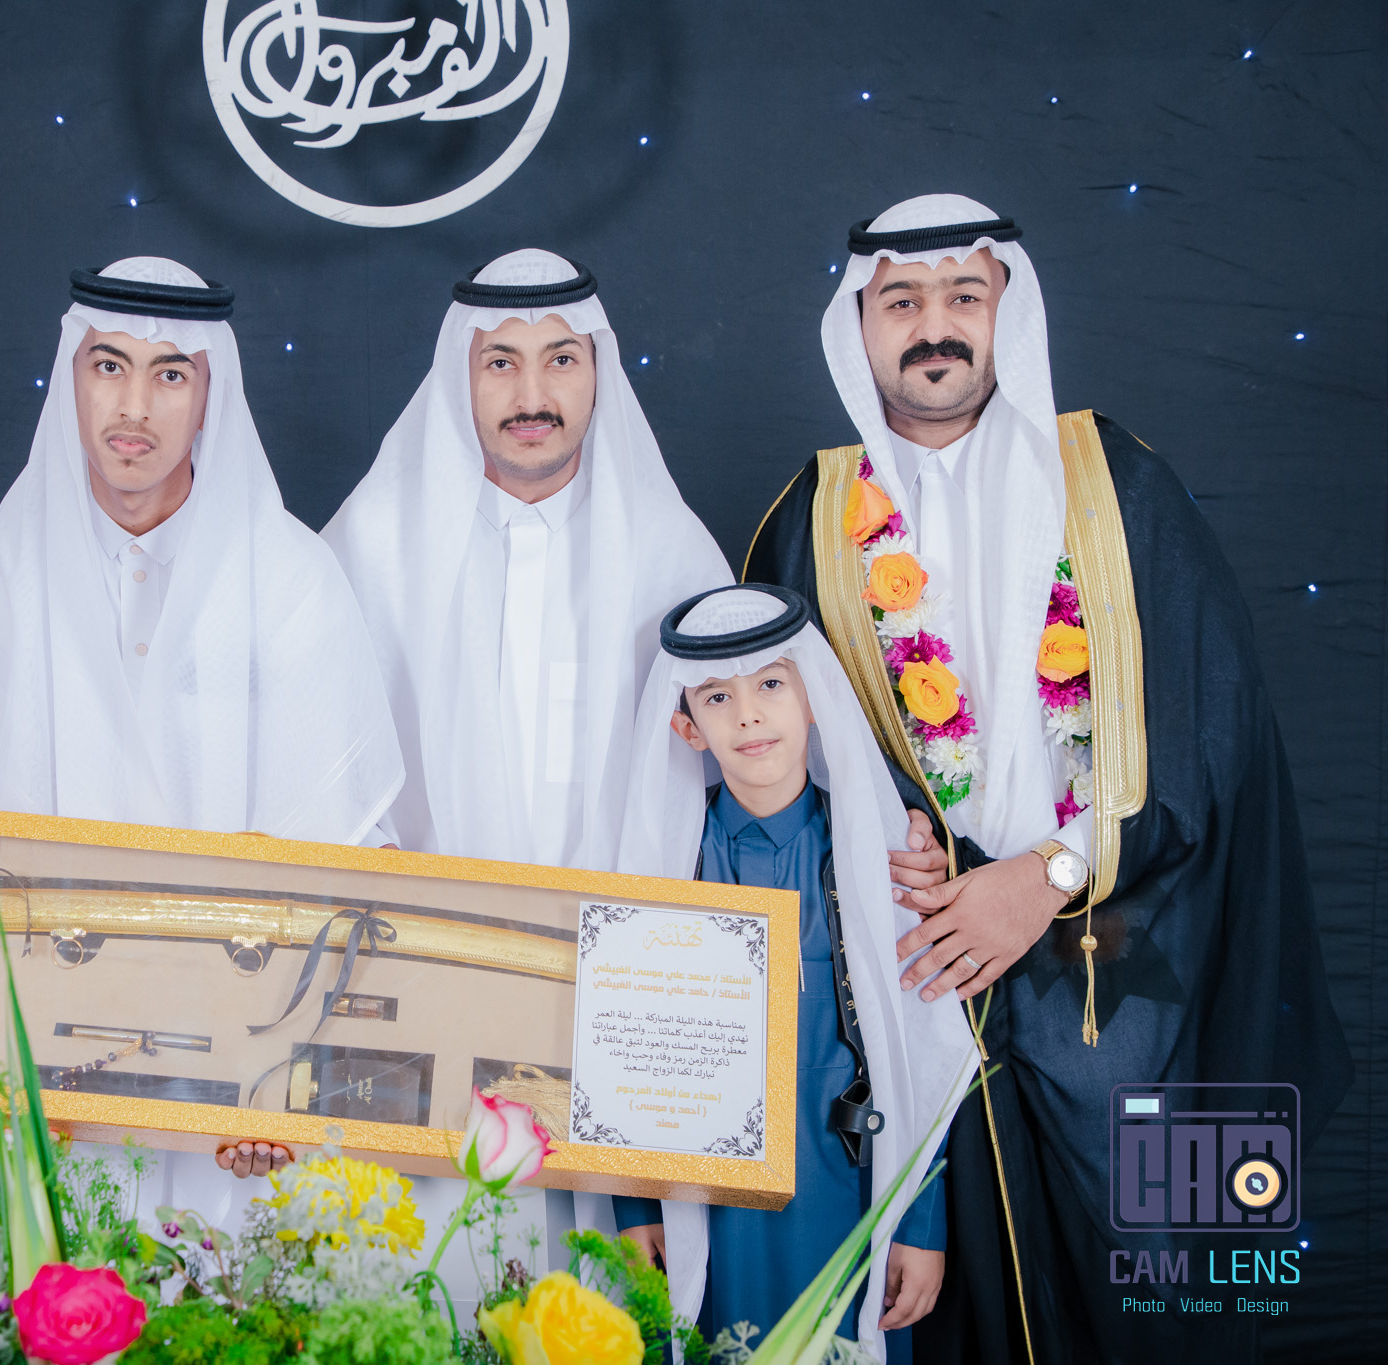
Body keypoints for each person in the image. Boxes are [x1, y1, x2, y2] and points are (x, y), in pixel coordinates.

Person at [743, 195, 1350, 1364]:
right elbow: (775, 764)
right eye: (899, 300)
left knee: (1163, 1305)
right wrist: (880, 840)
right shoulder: (808, 522)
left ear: (1004, 312)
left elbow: (1211, 734)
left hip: (1132, 981)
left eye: (961, 296)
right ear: (856, 324)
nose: (932, 324)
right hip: (925, 985)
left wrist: (1047, 875)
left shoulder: (1118, 486)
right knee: (937, 1303)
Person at [0, 256, 405, 1215]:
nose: (133, 405)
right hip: (60, 1077)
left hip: (243, 1091)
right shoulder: (17, 567)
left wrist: (277, 1072)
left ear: (209, 392)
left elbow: (342, 852)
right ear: (72, 377)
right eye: (109, 366)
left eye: (170, 373)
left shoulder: (290, 575)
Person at [610, 585, 975, 1362]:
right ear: (687, 725)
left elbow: (919, 1051)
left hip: (849, 1184)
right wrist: (634, 1207)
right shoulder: (668, 864)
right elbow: (625, 1050)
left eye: (771, 683)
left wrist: (919, 1221)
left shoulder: (880, 857)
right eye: (718, 695)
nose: (748, 715)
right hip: (712, 1202)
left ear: (813, 700)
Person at [323, 248, 732, 871]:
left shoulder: (670, 549)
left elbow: (730, 768)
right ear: (460, 378)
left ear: (598, 373)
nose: (531, 398)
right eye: (501, 363)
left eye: (561, 360)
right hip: (417, 917)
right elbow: (310, 744)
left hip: (619, 921)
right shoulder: (373, 542)